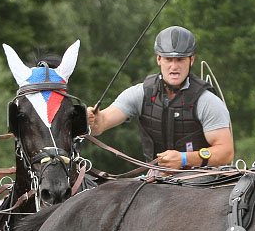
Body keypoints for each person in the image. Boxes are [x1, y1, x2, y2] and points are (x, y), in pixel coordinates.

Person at [87, 26, 234, 170]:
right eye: (168, 59)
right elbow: (102, 123)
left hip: (201, 180)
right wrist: (93, 120)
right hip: (155, 180)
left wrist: (184, 159)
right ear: (159, 59)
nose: (174, 67)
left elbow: (226, 152)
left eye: (180, 60)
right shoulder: (141, 93)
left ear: (191, 60)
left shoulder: (207, 101)